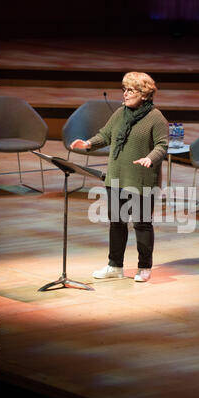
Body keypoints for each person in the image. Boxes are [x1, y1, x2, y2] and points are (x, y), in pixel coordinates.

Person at [71, 71, 168, 282]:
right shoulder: (120, 113)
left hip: (142, 179)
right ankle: (115, 266)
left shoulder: (156, 117)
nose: (125, 94)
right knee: (117, 222)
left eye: (130, 90)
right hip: (116, 177)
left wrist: (151, 158)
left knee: (142, 224)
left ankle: (144, 267)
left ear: (144, 94)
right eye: (124, 90)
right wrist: (88, 144)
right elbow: (105, 135)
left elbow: (162, 145)